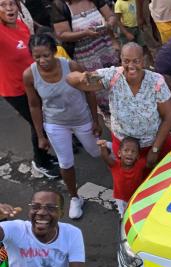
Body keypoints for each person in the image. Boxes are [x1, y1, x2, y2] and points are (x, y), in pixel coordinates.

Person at [24, 33, 101, 220]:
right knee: (65, 162)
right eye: (37, 57)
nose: (42, 60)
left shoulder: (71, 66)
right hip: (55, 124)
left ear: (54, 52)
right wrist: (41, 135)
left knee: (97, 151)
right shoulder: (29, 75)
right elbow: (34, 105)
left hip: (81, 118)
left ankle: (127, 172)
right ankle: (75, 198)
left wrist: (95, 120)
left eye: (46, 55)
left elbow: (90, 92)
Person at [67, 43, 171, 168]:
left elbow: (170, 115)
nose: (131, 66)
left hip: (153, 144)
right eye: (126, 61)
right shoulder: (112, 76)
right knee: (131, 183)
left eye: (136, 61)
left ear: (143, 60)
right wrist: (81, 77)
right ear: (120, 59)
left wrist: (155, 149)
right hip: (124, 148)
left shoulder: (156, 81)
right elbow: (70, 79)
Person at [0, 0, 59, 178]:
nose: (9, 8)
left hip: (34, 84)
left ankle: (44, 157)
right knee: (38, 123)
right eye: (3, 5)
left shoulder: (20, 24)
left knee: (40, 121)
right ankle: (40, 163)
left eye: (12, 3)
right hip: (14, 89)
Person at [50, 0, 120, 116]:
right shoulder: (60, 6)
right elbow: (61, 34)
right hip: (85, 56)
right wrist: (85, 33)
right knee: (97, 87)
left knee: (115, 80)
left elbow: (111, 16)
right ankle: (109, 116)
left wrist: (109, 23)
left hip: (106, 49)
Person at [97, 137, 146, 216]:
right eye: (126, 150)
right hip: (121, 198)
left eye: (133, 151)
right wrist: (103, 147)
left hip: (137, 196)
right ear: (119, 153)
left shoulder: (140, 164)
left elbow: (152, 161)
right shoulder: (114, 165)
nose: (129, 153)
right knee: (124, 213)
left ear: (137, 156)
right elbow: (105, 157)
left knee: (136, 212)